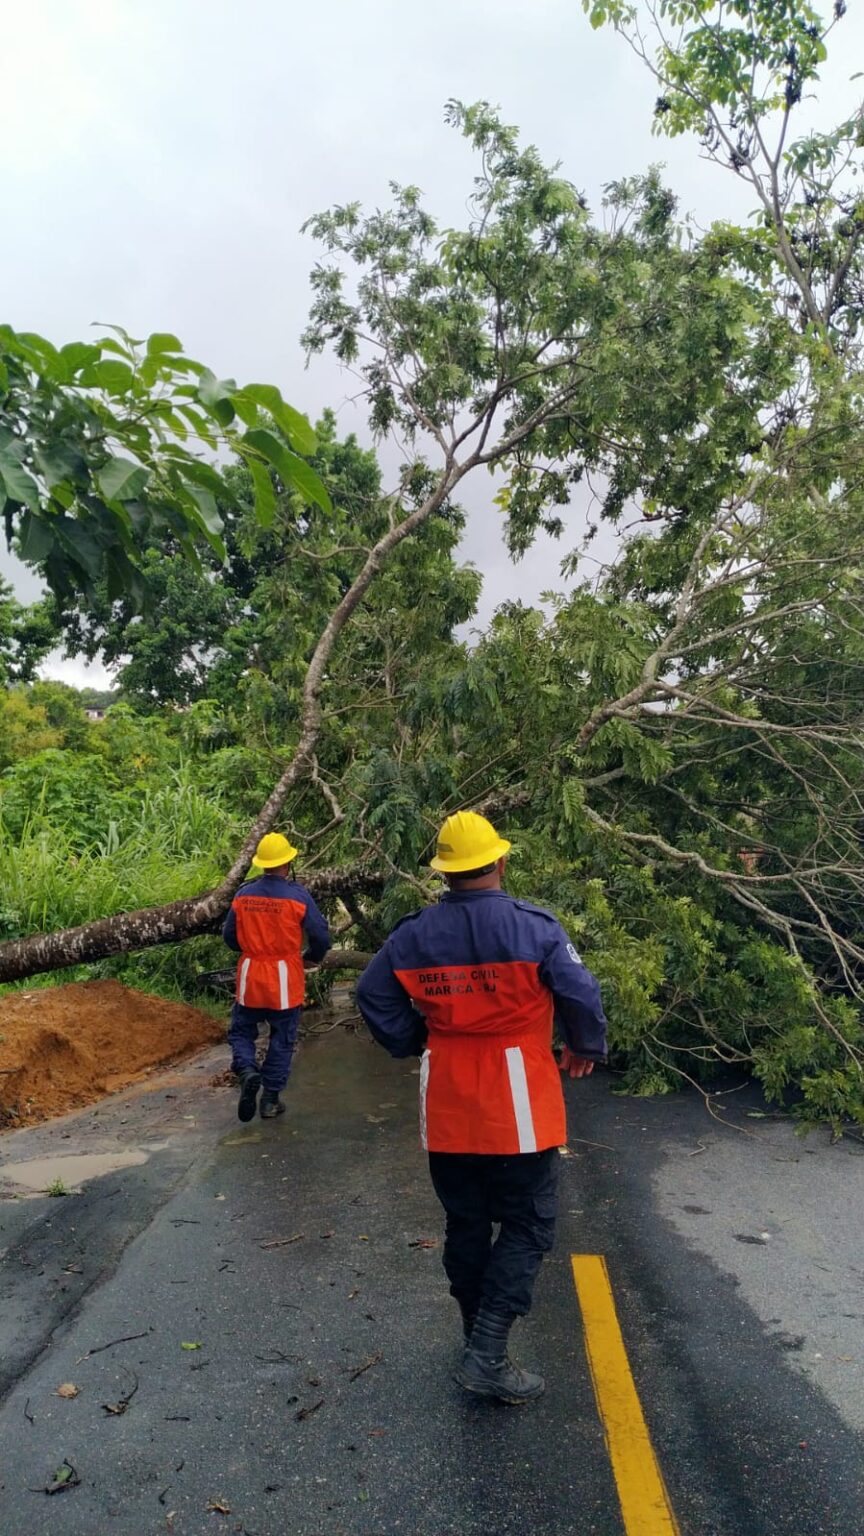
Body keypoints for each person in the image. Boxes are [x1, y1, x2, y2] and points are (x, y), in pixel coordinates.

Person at [356, 810, 607, 1405]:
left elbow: (372, 992)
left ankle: (476, 1340)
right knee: (527, 1222)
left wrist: (412, 1041)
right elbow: (581, 991)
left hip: (447, 1098)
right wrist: (583, 1045)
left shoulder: (412, 935)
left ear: (444, 873)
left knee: (465, 1221)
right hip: (518, 1098)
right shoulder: (535, 928)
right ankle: (488, 1353)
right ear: (498, 861)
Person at [222, 832, 331, 1122]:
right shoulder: (298, 896)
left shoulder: (243, 895)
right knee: (282, 1038)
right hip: (285, 977)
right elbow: (321, 935)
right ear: (287, 863)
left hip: (251, 976)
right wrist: (311, 957)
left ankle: (246, 1070)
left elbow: (229, 936)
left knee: (242, 1030)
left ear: (262, 864)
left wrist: (249, 950)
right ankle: (270, 1100)